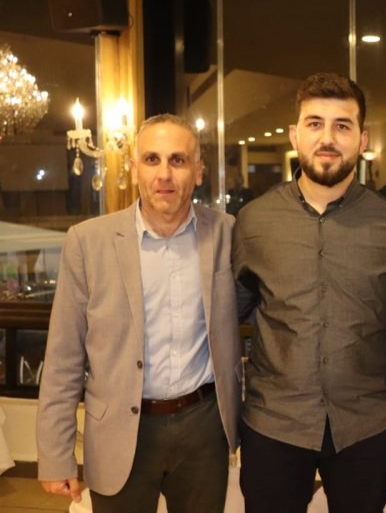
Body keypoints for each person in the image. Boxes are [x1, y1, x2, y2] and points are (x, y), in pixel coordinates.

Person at [233, 72, 386, 513]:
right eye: (315, 124)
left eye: (342, 126)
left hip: (365, 425)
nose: (327, 138)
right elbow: (226, 317)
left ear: (362, 139)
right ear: (295, 135)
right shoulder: (253, 222)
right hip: (273, 423)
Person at [36, 114, 242, 513]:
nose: (164, 174)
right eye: (151, 159)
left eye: (178, 160)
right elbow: (63, 358)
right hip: (118, 430)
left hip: (203, 428)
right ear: (134, 170)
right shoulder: (87, 242)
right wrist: (55, 454)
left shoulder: (227, 232)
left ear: (198, 172)